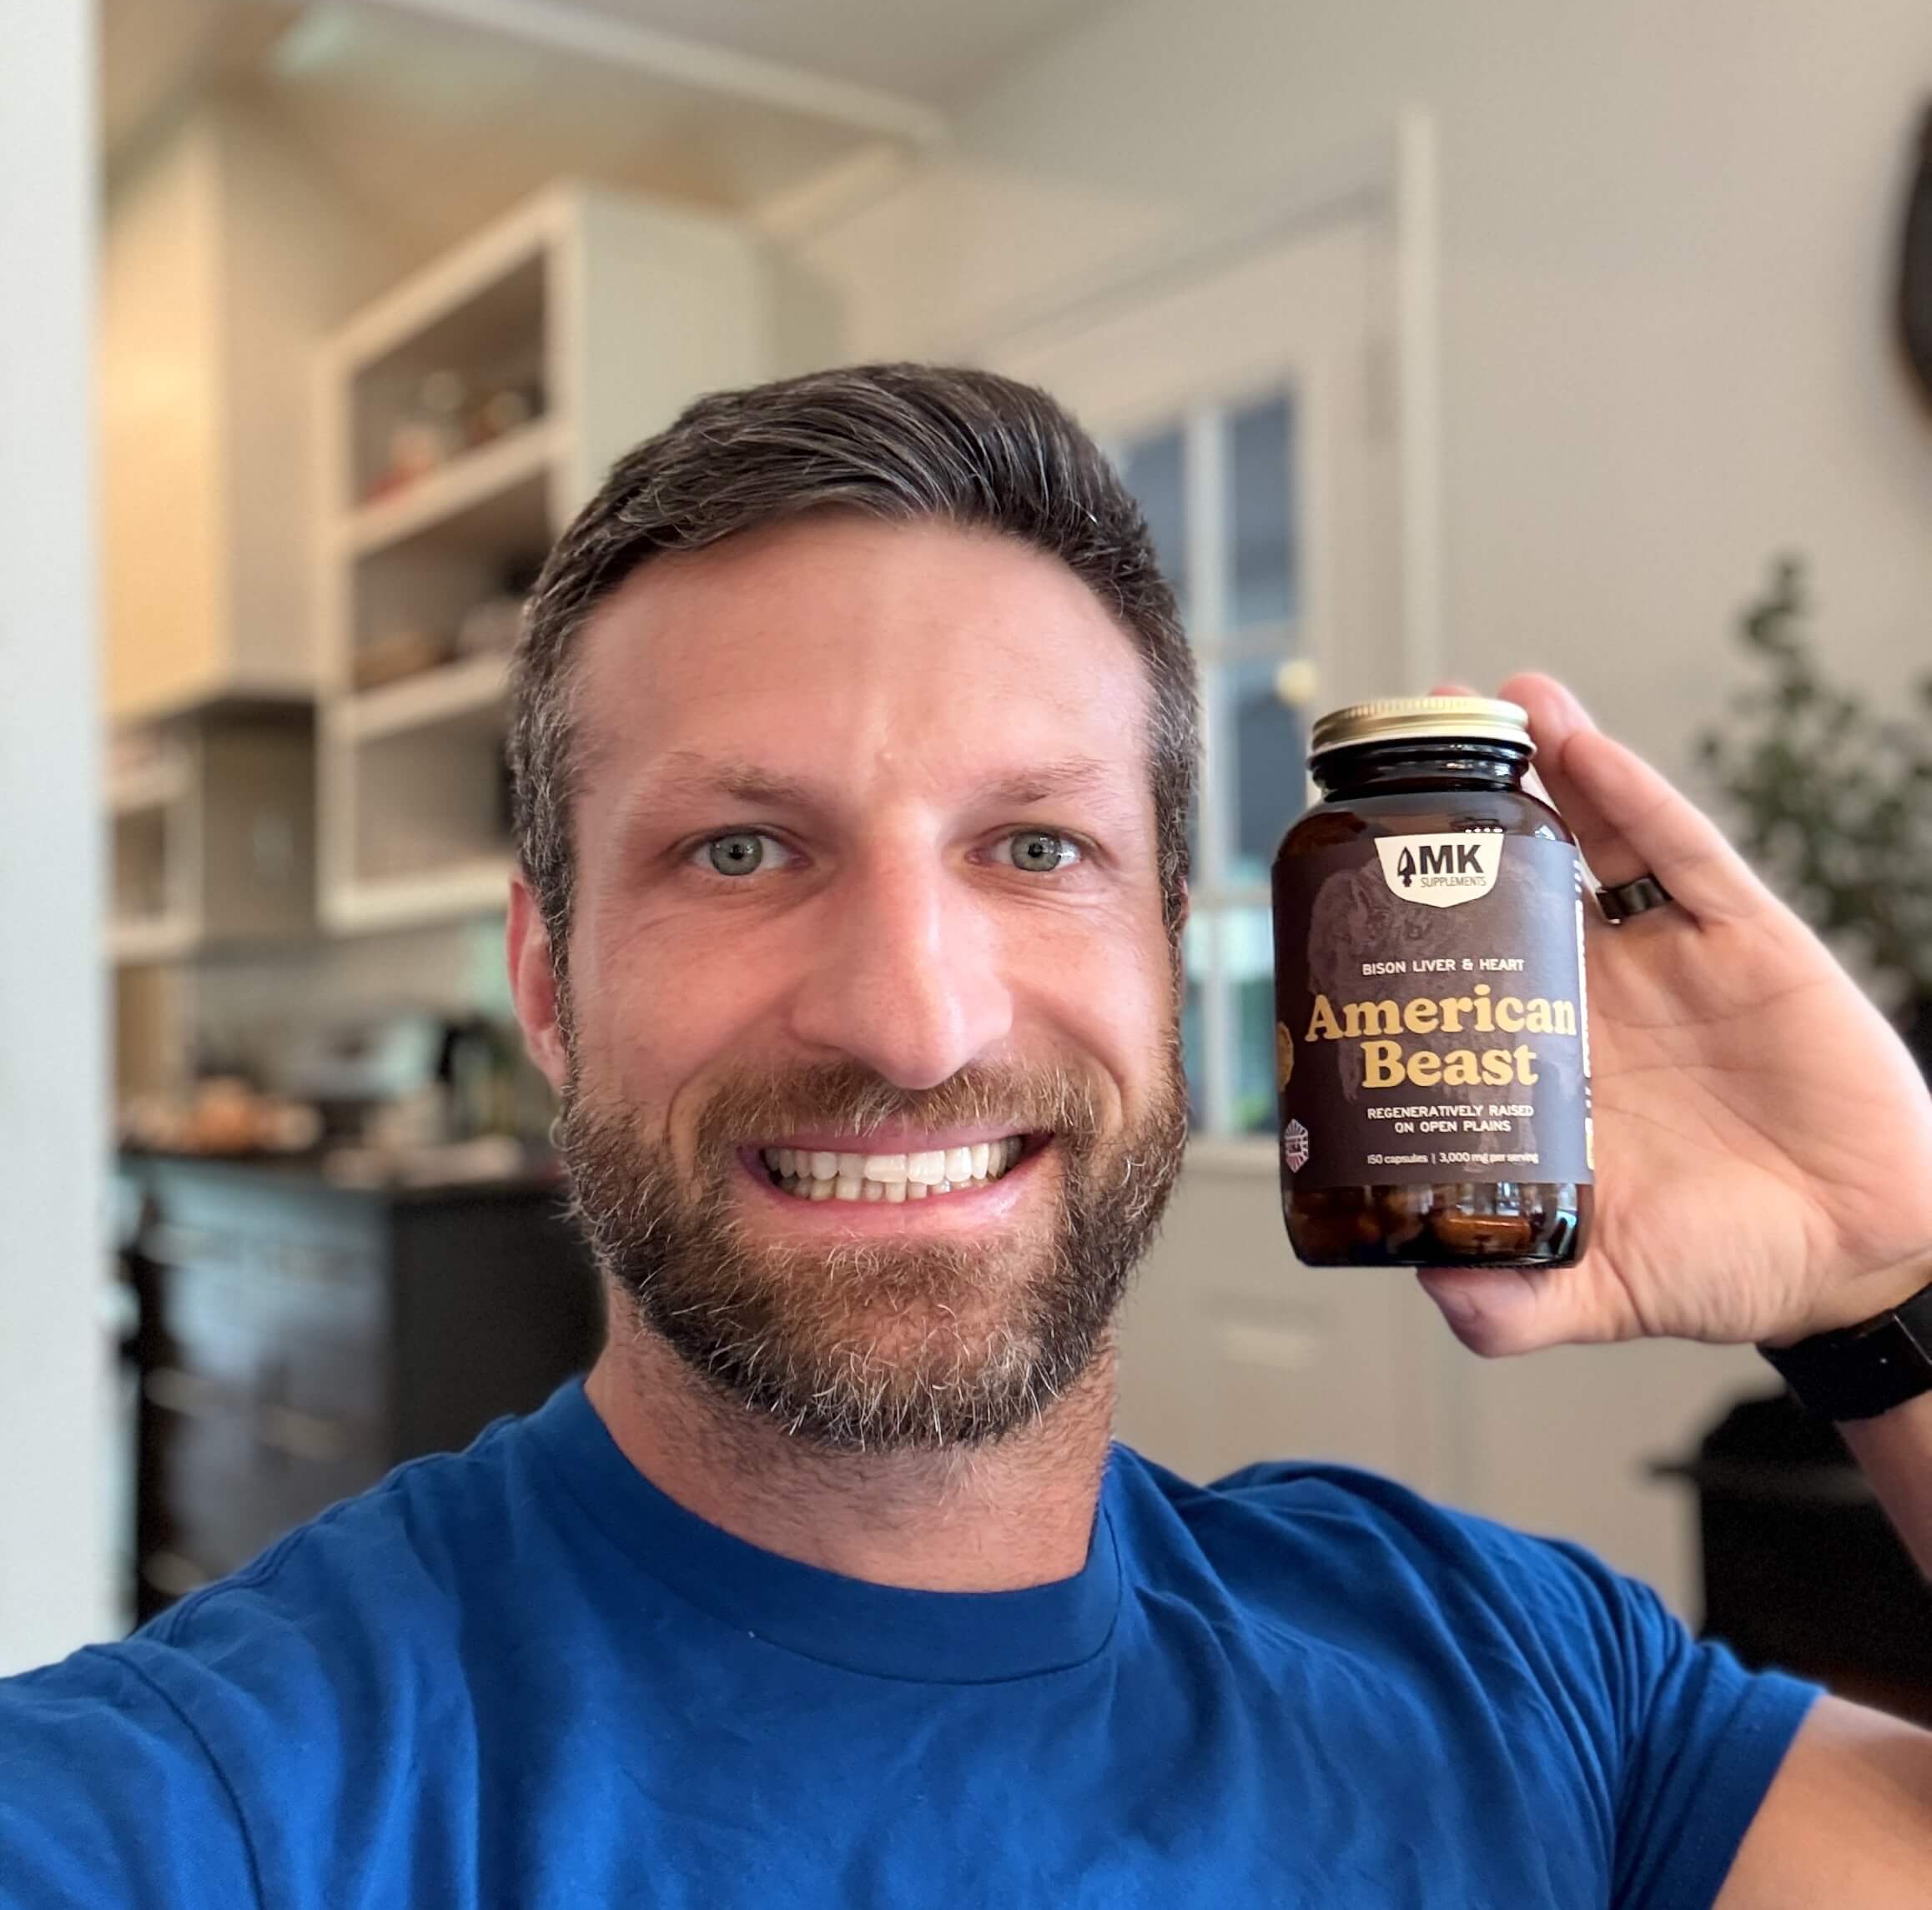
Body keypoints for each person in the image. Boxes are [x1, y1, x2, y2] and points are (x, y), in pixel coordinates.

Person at [4, 365, 1932, 1908]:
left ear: (1172, 959)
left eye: (1036, 849)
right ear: (546, 974)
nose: (914, 1020)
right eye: (739, 850)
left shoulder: (1513, 1675)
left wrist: (1891, 1273)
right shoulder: (211, 1805)